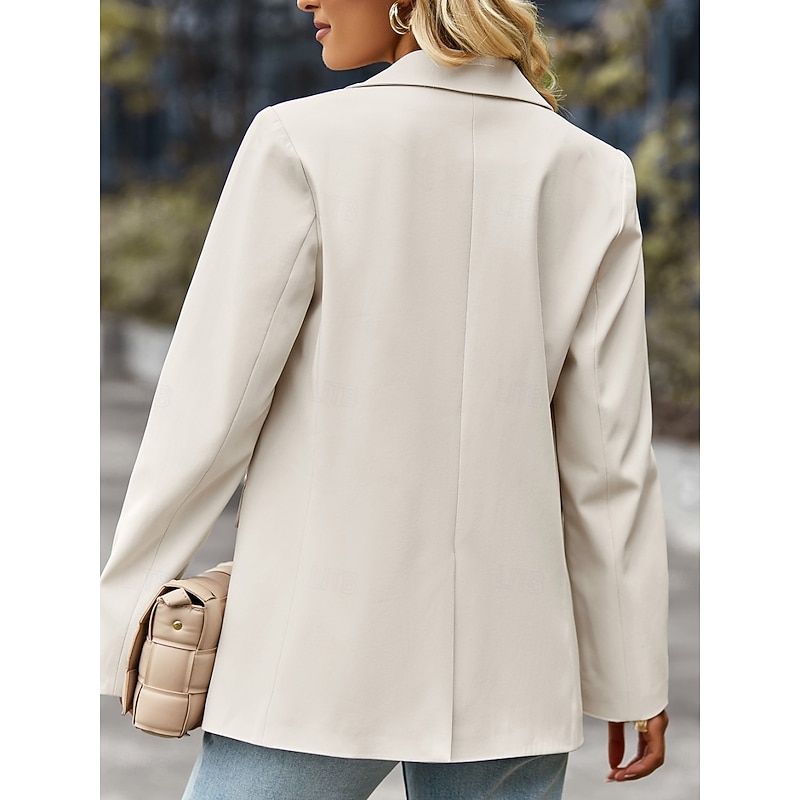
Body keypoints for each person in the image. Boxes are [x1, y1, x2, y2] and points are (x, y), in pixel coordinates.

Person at [99, 1, 670, 798]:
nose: (306, 0)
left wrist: (119, 621)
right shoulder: (591, 171)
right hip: (510, 670)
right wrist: (632, 672)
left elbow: (208, 415)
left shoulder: (300, 141)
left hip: (316, 663)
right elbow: (608, 457)